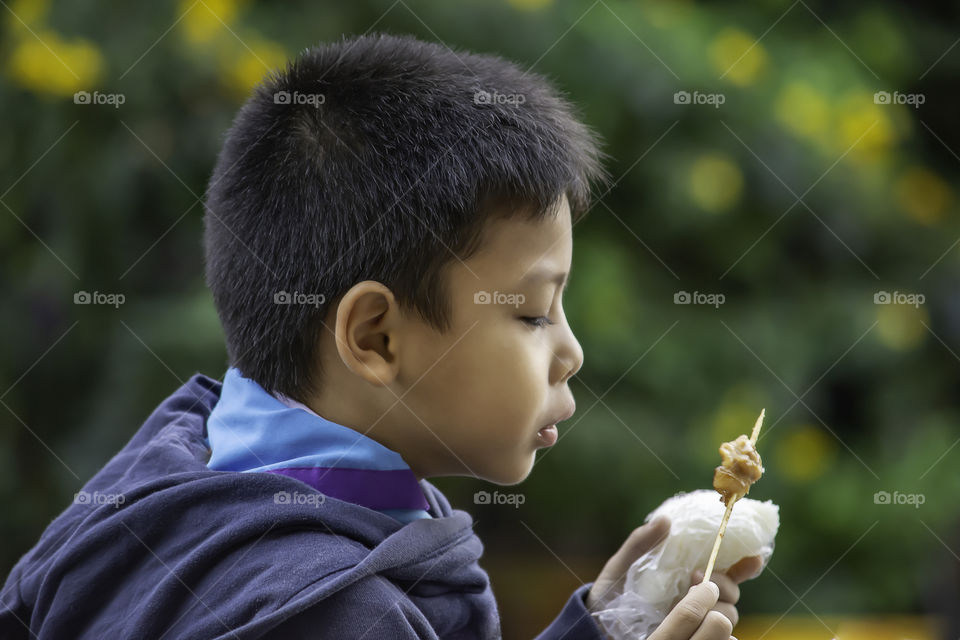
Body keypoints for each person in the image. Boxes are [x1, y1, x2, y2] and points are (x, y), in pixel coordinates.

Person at [0, 33, 761, 639]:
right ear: (375, 338)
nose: (572, 352)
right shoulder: (330, 613)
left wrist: (604, 626)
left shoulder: (176, 466)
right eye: (532, 313)